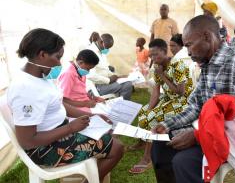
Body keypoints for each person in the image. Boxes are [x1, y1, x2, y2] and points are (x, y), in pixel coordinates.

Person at [151, 15, 235, 183]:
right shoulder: (207, 66)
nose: (188, 52)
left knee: (183, 162)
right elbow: (195, 106)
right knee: (159, 147)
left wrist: (198, 135)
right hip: (213, 129)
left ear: (206, 37)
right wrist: (167, 124)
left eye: (189, 45)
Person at [7, 28, 124, 182]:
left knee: (107, 133)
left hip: (59, 134)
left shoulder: (40, 77)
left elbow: (59, 104)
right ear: (42, 55)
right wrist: (70, 128)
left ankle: (91, 175)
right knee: (117, 148)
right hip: (46, 149)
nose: (60, 63)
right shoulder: (25, 89)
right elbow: (28, 141)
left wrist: (92, 115)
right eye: (57, 57)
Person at [128, 39, 193, 174]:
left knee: (153, 119)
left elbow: (180, 92)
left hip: (183, 101)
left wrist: (162, 75)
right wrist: (150, 109)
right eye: (151, 55)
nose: (152, 58)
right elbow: (156, 92)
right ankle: (142, 141)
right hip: (169, 98)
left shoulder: (178, 65)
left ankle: (147, 157)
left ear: (164, 52)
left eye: (156, 55)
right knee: (145, 112)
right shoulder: (157, 66)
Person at [87, 32, 133, 100]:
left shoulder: (101, 52)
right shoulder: (91, 53)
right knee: (127, 85)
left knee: (126, 81)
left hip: (104, 82)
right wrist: (109, 80)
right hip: (97, 87)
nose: (107, 50)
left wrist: (117, 76)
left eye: (109, 48)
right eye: (107, 47)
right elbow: (90, 75)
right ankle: (122, 107)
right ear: (100, 42)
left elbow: (105, 69)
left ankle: (120, 105)